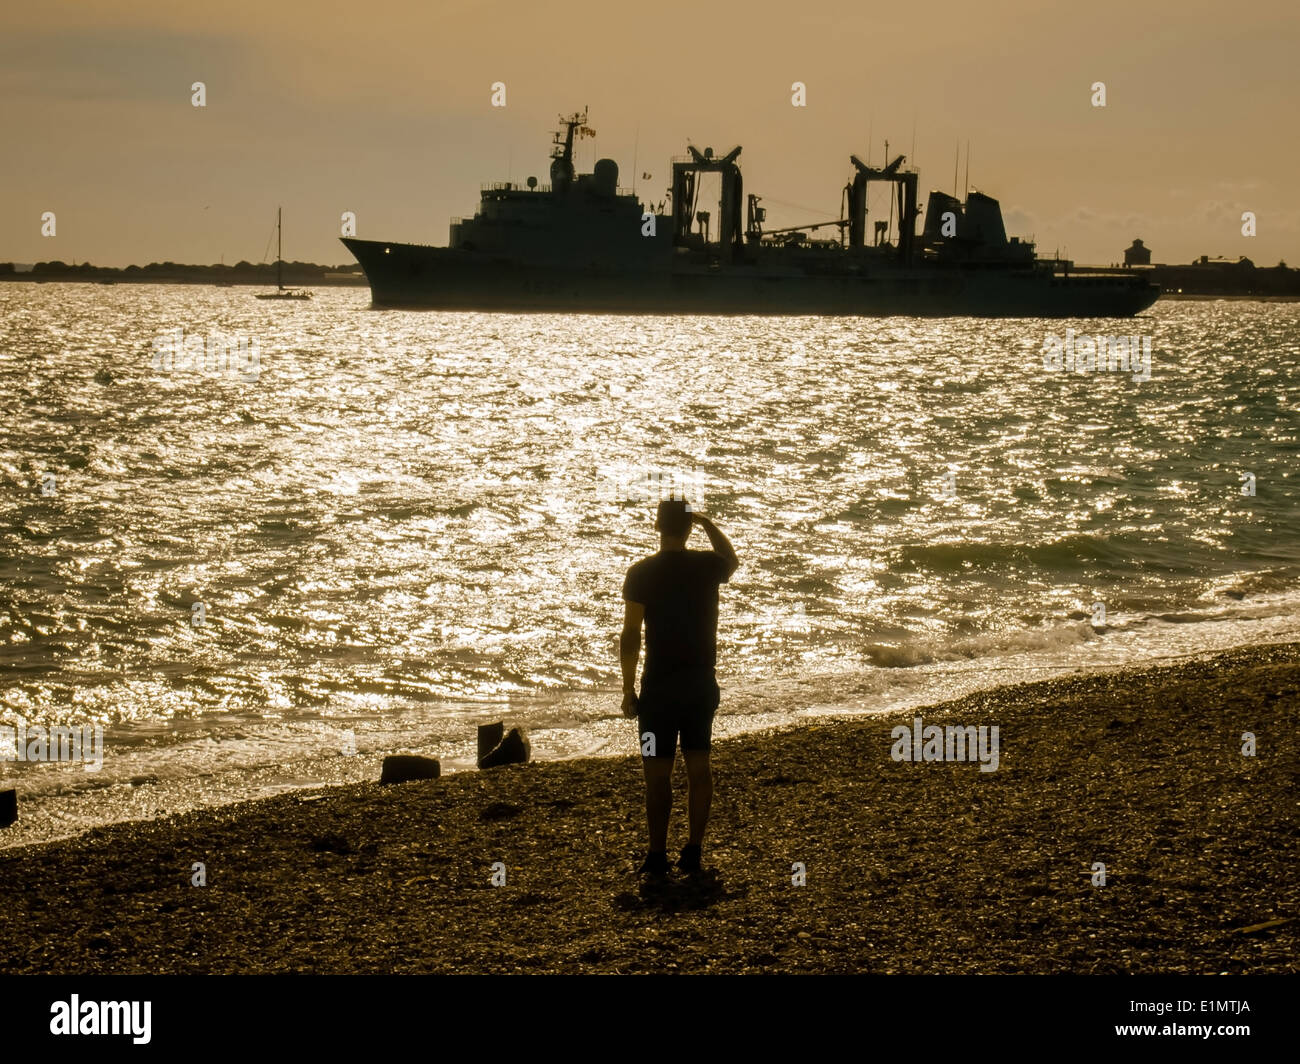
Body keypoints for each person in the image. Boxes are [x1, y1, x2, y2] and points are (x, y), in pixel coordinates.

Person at [620, 498, 738, 876]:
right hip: (699, 687)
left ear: (657, 526)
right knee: (699, 767)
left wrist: (627, 689)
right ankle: (693, 850)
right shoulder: (706, 566)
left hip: (658, 691)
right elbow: (731, 560)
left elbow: (631, 635)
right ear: (688, 529)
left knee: (656, 773)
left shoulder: (641, 573)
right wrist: (707, 523)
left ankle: (656, 854)